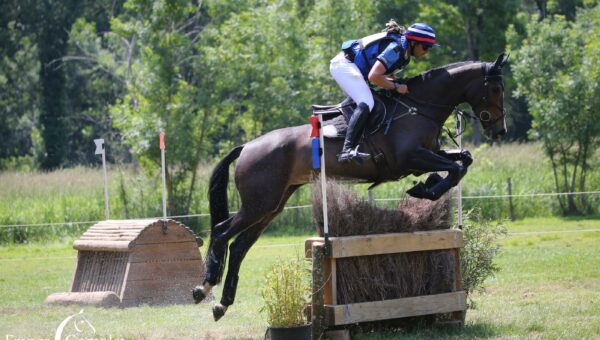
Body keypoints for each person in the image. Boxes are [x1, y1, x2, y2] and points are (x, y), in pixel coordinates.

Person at [330, 21, 439, 163]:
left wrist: (395, 81)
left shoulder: (404, 51)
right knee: (366, 102)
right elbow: (374, 77)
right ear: (414, 43)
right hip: (343, 66)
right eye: (425, 47)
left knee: (372, 100)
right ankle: (347, 150)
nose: (426, 52)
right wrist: (395, 87)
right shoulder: (396, 49)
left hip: (352, 67)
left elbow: (383, 73)